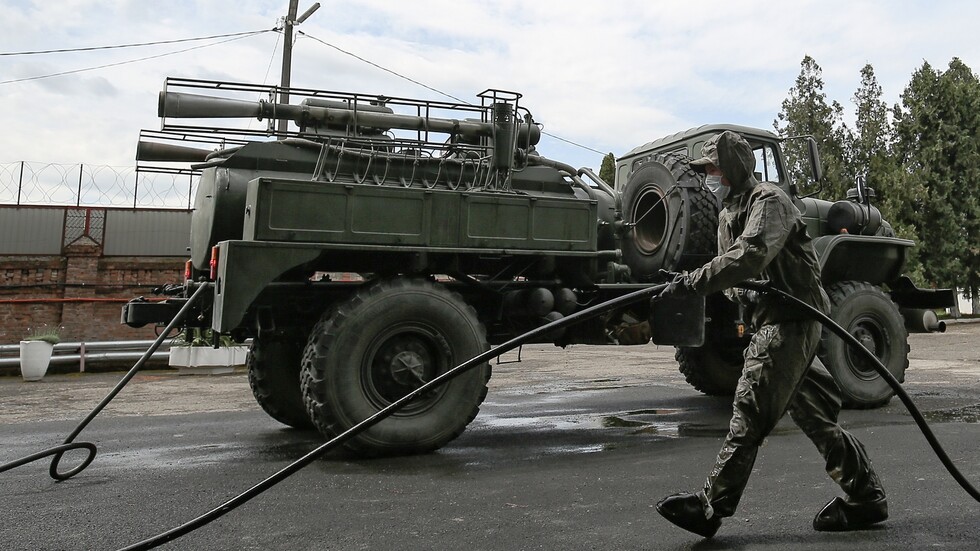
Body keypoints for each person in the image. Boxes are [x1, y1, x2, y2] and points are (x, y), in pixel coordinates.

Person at [655, 131, 888, 537]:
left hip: (791, 320)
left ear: (731, 168)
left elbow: (752, 254)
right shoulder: (729, 216)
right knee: (817, 418)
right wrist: (723, 285)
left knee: (749, 410)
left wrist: (694, 281)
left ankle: (712, 507)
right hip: (773, 320)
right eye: (705, 170)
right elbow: (734, 276)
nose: (708, 177)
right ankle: (866, 497)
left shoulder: (769, 200)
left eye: (712, 168)